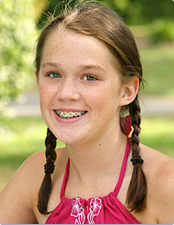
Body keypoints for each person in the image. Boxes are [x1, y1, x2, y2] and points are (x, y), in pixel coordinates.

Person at [0, 1, 174, 224]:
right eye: (53, 74)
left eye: (89, 77)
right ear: (37, 79)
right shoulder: (37, 174)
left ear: (127, 90)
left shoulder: (165, 184)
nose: (66, 93)